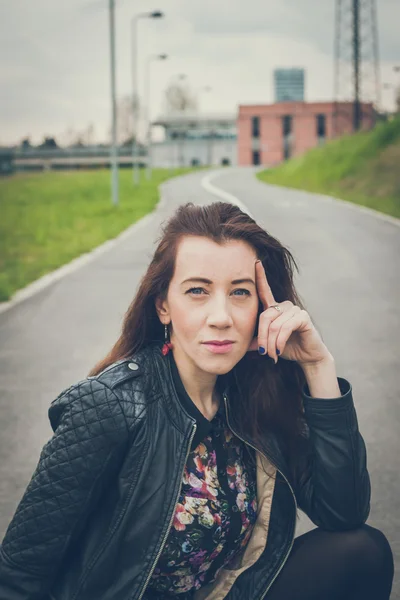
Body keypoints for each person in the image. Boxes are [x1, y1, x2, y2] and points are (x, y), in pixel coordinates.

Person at [0, 201, 394, 600]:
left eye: (240, 292)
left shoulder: (254, 394)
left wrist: (317, 366)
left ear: (261, 305)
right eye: (197, 291)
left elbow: (343, 512)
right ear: (163, 306)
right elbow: (19, 572)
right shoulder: (108, 406)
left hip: (219, 593)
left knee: (361, 551)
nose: (220, 316)